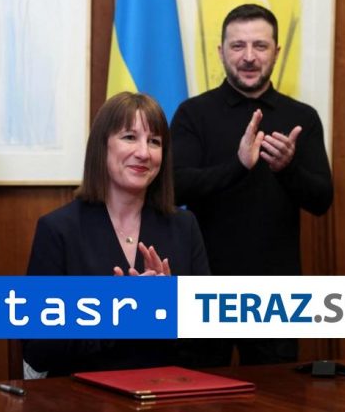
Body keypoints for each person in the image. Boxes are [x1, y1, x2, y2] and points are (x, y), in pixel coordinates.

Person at [170, 3, 333, 366]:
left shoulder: (302, 117)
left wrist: (286, 168)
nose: (248, 56)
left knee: (278, 393)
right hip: (203, 287)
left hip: (274, 294)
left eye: (260, 45)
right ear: (221, 52)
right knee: (197, 390)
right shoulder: (193, 114)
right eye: (237, 45)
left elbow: (322, 200)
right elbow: (174, 187)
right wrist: (239, 166)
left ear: (276, 51)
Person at [23, 92, 210, 377]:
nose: (144, 152)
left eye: (155, 141)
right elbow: (38, 350)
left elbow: (209, 345)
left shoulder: (184, 226)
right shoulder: (59, 229)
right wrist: (113, 313)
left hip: (165, 390)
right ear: (102, 147)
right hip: (83, 394)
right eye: (130, 137)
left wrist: (168, 308)